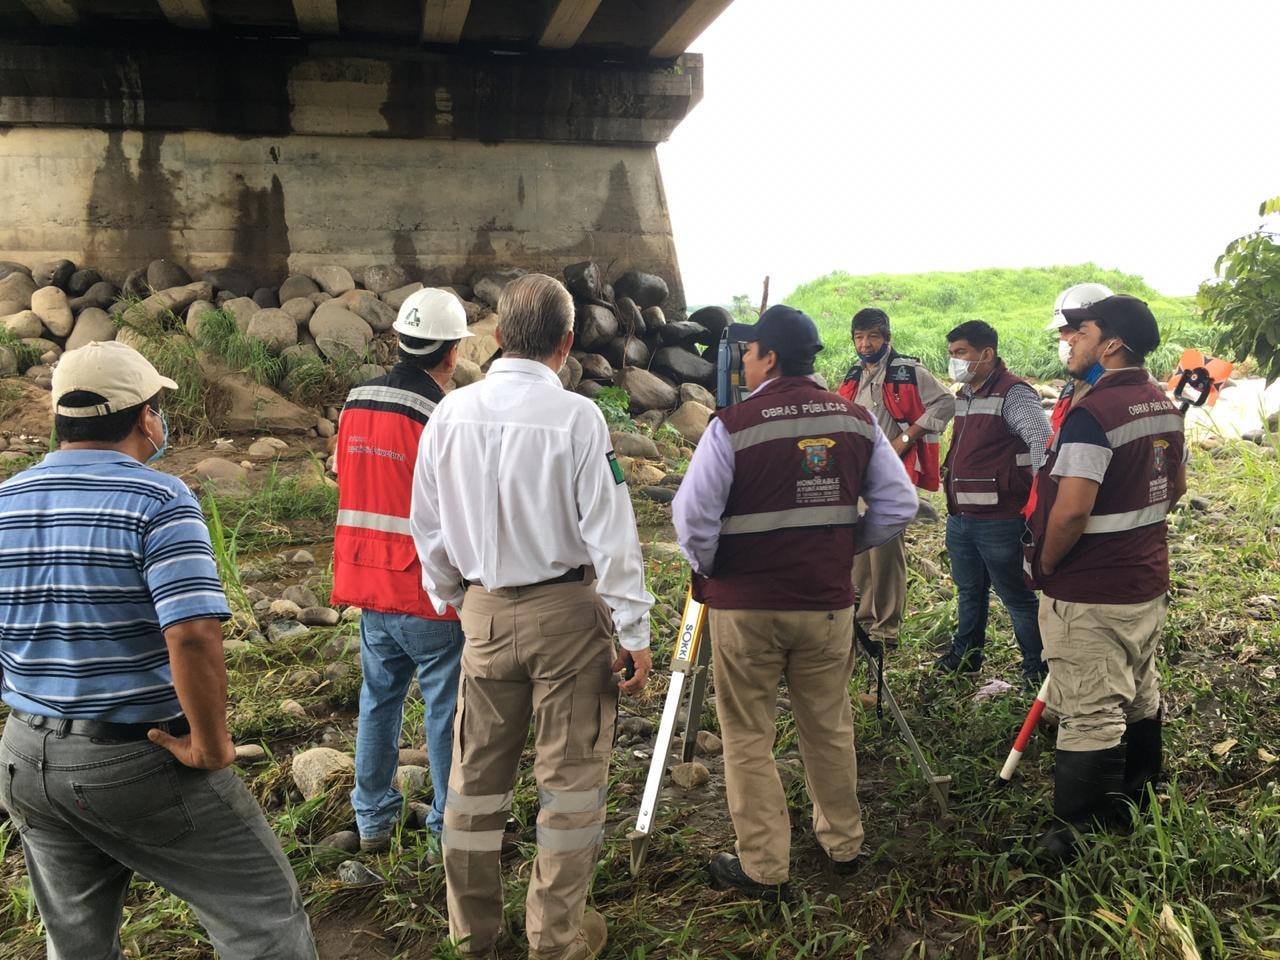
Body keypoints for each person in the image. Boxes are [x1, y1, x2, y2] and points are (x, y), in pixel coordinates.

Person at [0, 341, 316, 959]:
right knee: (262, 918)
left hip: (24, 755)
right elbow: (193, 634)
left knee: (77, 942)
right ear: (145, 417)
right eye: (156, 407)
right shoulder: (159, 501)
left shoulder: (7, 500)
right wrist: (211, 741)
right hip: (135, 757)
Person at [409, 274, 653, 960]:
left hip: (483, 612)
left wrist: (457, 600)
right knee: (570, 784)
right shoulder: (578, 418)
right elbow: (612, 535)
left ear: (494, 338)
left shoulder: (449, 415)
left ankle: (474, 934)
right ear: (567, 344)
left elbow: (425, 527)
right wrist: (633, 633)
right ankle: (556, 938)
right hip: (569, 616)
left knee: (474, 782)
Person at [673, 306, 917, 902]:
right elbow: (899, 504)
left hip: (747, 608)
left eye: (750, 351)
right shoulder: (857, 421)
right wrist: (841, 548)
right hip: (825, 605)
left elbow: (691, 520)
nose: (746, 362)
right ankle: (844, 843)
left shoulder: (732, 425)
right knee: (829, 725)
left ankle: (764, 866)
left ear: (770, 357)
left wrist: (718, 568)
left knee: (748, 735)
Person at [1023, 295, 1186, 861]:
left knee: (1091, 707)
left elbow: (1070, 511)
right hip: (1145, 578)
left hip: (1091, 588)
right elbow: (1176, 487)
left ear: (1110, 343)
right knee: (1138, 690)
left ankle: (1076, 836)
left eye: (1079, 330)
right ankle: (1139, 794)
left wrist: (1044, 564)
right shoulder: (1159, 402)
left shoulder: (1095, 416)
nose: (1068, 339)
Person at [332, 288, 473, 854]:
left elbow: (348, 478)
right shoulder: (439, 414)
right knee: (445, 709)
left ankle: (372, 819)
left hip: (366, 582)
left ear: (402, 339)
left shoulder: (355, 400)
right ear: (452, 351)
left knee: (378, 700)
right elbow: (458, 507)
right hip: (424, 587)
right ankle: (446, 827)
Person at [936, 320, 1051, 684]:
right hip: (961, 516)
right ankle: (966, 656)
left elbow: (1041, 441)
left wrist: (1039, 501)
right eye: (951, 354)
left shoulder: (1013, 394)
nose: (954, 361)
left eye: (961, 354)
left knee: (1016, 598)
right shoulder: (966, 394)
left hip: (1000, 519)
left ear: (986, 354)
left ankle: (1038, 668)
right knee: (969, 590)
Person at [838, 308, 955, 647]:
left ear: (886, 337)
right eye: (859, 337)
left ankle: (886, 628)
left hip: (890, 476)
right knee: (859, 550)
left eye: (872, 336)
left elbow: (946, 402)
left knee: (886, 552)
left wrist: (906, 438)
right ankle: (862, 623)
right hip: (858, 476)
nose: (865, 343)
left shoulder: (908, 370)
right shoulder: (853, 374)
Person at [1023, 283, 1114, 520]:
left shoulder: (1112, 393)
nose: (1064, 339)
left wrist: (1050, 553)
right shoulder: (1075, 386)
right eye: (1062, 331)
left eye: (1072, 329)